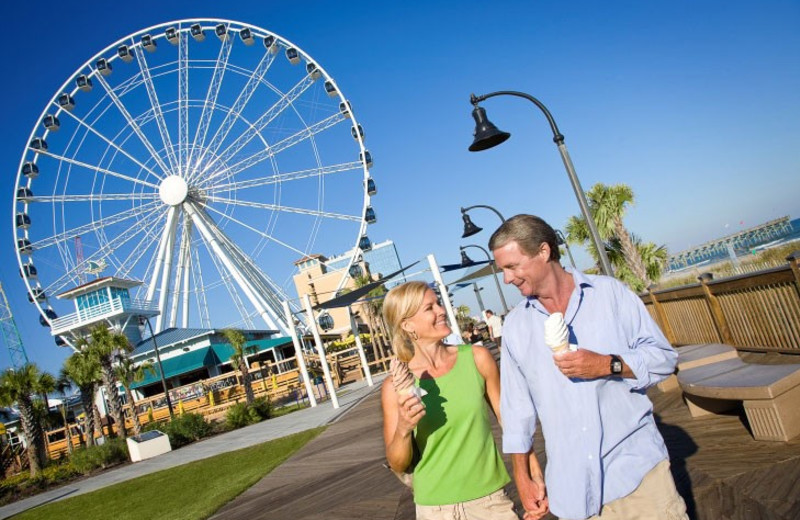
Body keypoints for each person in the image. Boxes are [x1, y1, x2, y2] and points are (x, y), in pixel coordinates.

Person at [489, 215, 688, 520]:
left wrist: (608, 364)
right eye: (502, 270)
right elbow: (517, 411)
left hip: (638, 477)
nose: (507, 279)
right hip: (573, 492)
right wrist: (522, 476)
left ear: (543, 251)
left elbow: (663, 358)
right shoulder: (515, 326)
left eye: (512, 266)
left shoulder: (611, 294)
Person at [381, 281, 538, 519]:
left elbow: (512, 423)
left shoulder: (477, 358)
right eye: (429, 308)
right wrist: (404, 427)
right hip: (434, 508)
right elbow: (398, 464)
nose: (442, 310)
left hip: (490, 502)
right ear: (407, 324)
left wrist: (532, 475)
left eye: (438, 303)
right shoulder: (394, 387)